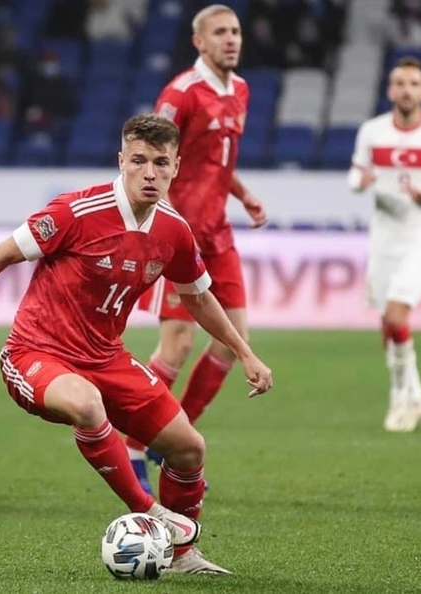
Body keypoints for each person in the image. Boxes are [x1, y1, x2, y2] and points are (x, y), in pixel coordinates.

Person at [0, 113, 273, 574]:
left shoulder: (174, 230)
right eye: (138, 161)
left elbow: (199, 298)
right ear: (121, 161)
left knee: (189, 447)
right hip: (35, 353)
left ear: (176, 167)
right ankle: (152, 513)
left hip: (106, 358)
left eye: (160, 163)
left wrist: (245, 352)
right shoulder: (76, 212)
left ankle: (183, 556)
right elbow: (0, 255)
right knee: (86, 403)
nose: (149, 173)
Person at [128, 4, 267, 491]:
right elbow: (153, 158)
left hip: (218, 234)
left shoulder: (241, 90)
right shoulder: (181, 93)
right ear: (199, 42)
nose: (231, 39)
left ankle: (173, 437)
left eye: (236, 31)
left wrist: (243, 195)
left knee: (233, 343)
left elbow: (217, 162)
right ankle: (133, 444)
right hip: (180, 235)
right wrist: (165, 222)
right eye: (220, 32)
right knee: (178, 345)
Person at [347, 55, 421, 432]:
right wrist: (358, 183)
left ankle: (402, 398)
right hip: (384, 236)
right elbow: (356, 173)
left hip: (420, 234)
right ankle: (412, 394)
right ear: (390, 90)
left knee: (396, 316)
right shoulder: (373, 131)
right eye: (400, 83)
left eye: (414, 84)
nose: (407, 90)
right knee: (388, 323)